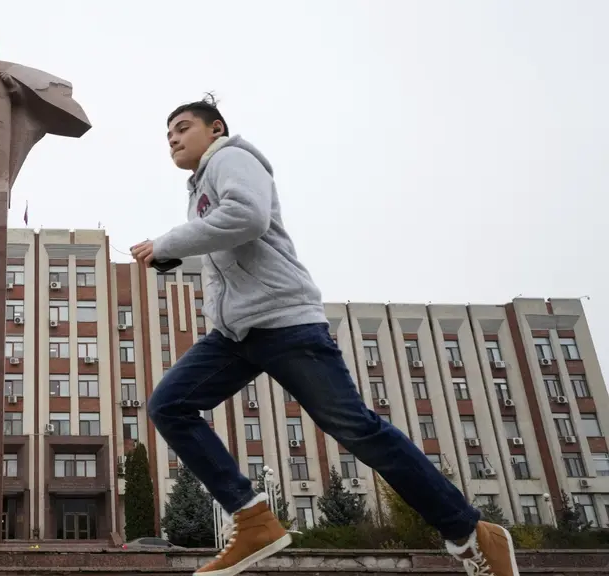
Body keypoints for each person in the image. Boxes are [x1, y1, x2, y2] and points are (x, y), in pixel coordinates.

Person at [130, 95, 519, 576]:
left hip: (285, 322)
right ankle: (253, 520)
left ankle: (471, 532)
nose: (173, 138)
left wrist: (167, 241)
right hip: (237, 332)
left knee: (356, 429)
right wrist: (176, 257)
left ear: (216, 129)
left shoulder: (231, 157)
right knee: (169, 404)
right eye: (167, 134)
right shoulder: (199, 186)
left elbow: (246, 217)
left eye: (183, 127)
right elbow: (234, 247)